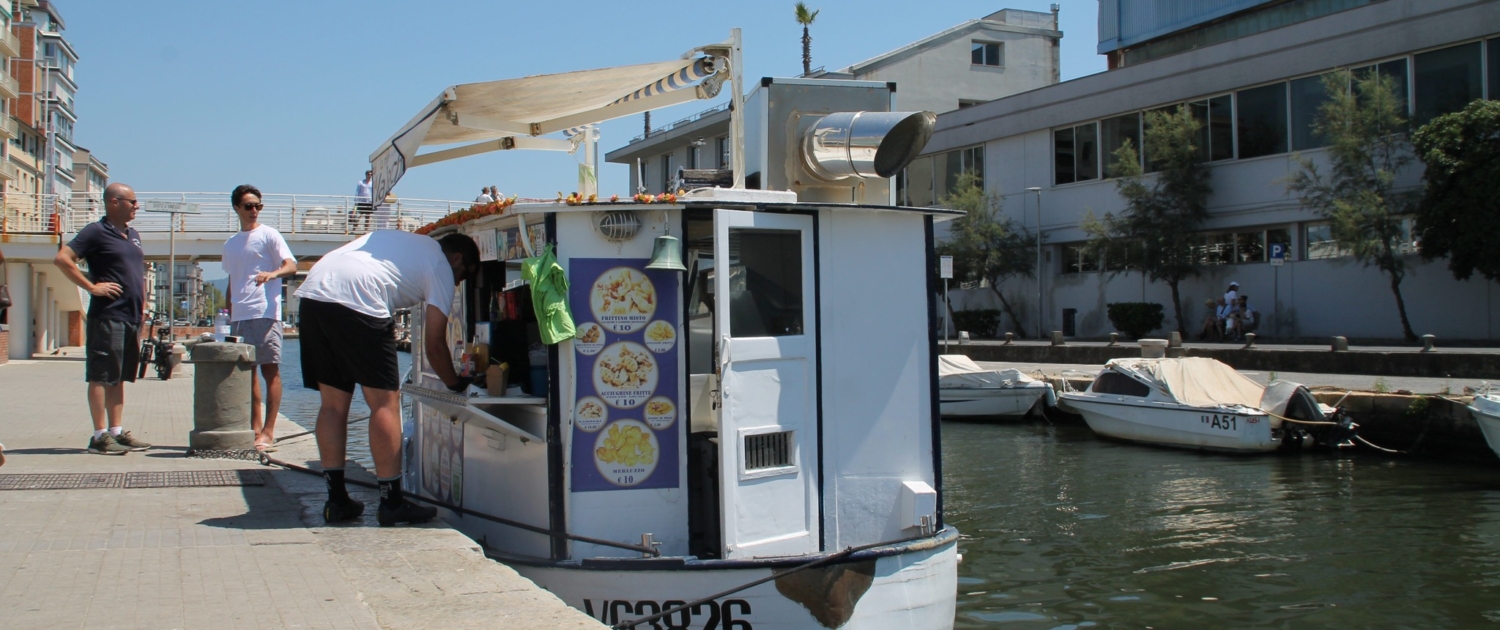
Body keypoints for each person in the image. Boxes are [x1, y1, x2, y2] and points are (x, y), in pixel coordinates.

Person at [294, 231, 479, 526]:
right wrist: (456, 384)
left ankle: (336, 501)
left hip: (315, 290)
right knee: (384, 403)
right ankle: (391, 503)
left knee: (332, 405)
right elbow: (434, 343)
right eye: (463, 275)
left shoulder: (412, 244)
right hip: (359, 297)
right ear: (457, 259)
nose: (458, 283)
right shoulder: (442, 265)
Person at [53, 182, 154, 455]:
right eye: (132, 202)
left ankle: (116, 432)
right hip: (108, 315)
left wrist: (142, 308)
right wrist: (91, 287)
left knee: (118, 376)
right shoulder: (95, 231)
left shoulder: (132, 235)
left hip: (130, 316)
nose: (137, 206)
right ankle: (99, 437)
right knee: (101, 375)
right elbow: (63, 258)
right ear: (114, 203)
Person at [222, 184, 298, 452]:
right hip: (240, 316)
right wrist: (228, 311)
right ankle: (255, 428)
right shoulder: (230, 244)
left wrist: (272, 274)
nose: (254, 210)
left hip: (265, 312)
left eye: (258, 206)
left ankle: (269, 430)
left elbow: (291, 265)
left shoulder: (269, 235)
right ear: (237, 208)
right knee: (248, 373)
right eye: (248, 206)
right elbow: (232, 279)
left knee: (270, 370)